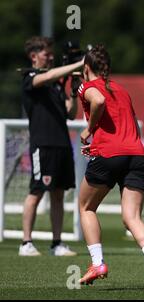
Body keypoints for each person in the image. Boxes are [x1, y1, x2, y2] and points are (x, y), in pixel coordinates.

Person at [77, 45, 144, 293]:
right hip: (136, 154)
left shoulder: (87, 87)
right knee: (132, 218)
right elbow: (127, 125)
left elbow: (99, 101)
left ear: (86, 69)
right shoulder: (122, 90)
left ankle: (97, 264)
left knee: (86, 207)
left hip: (108, 155)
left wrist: (89, 132)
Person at [19, 36, 83, 257]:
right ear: (34, 56)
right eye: (47, 53)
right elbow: (46, 76)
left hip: (62, 144)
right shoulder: (29, 76)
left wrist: (74, 90)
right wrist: (75, 66)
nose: (51, 57)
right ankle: (26, 242)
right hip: (43, 145)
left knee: (58, 194)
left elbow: (71, 113)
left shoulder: (56, 83)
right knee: (36, 192)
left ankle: (57, 243)